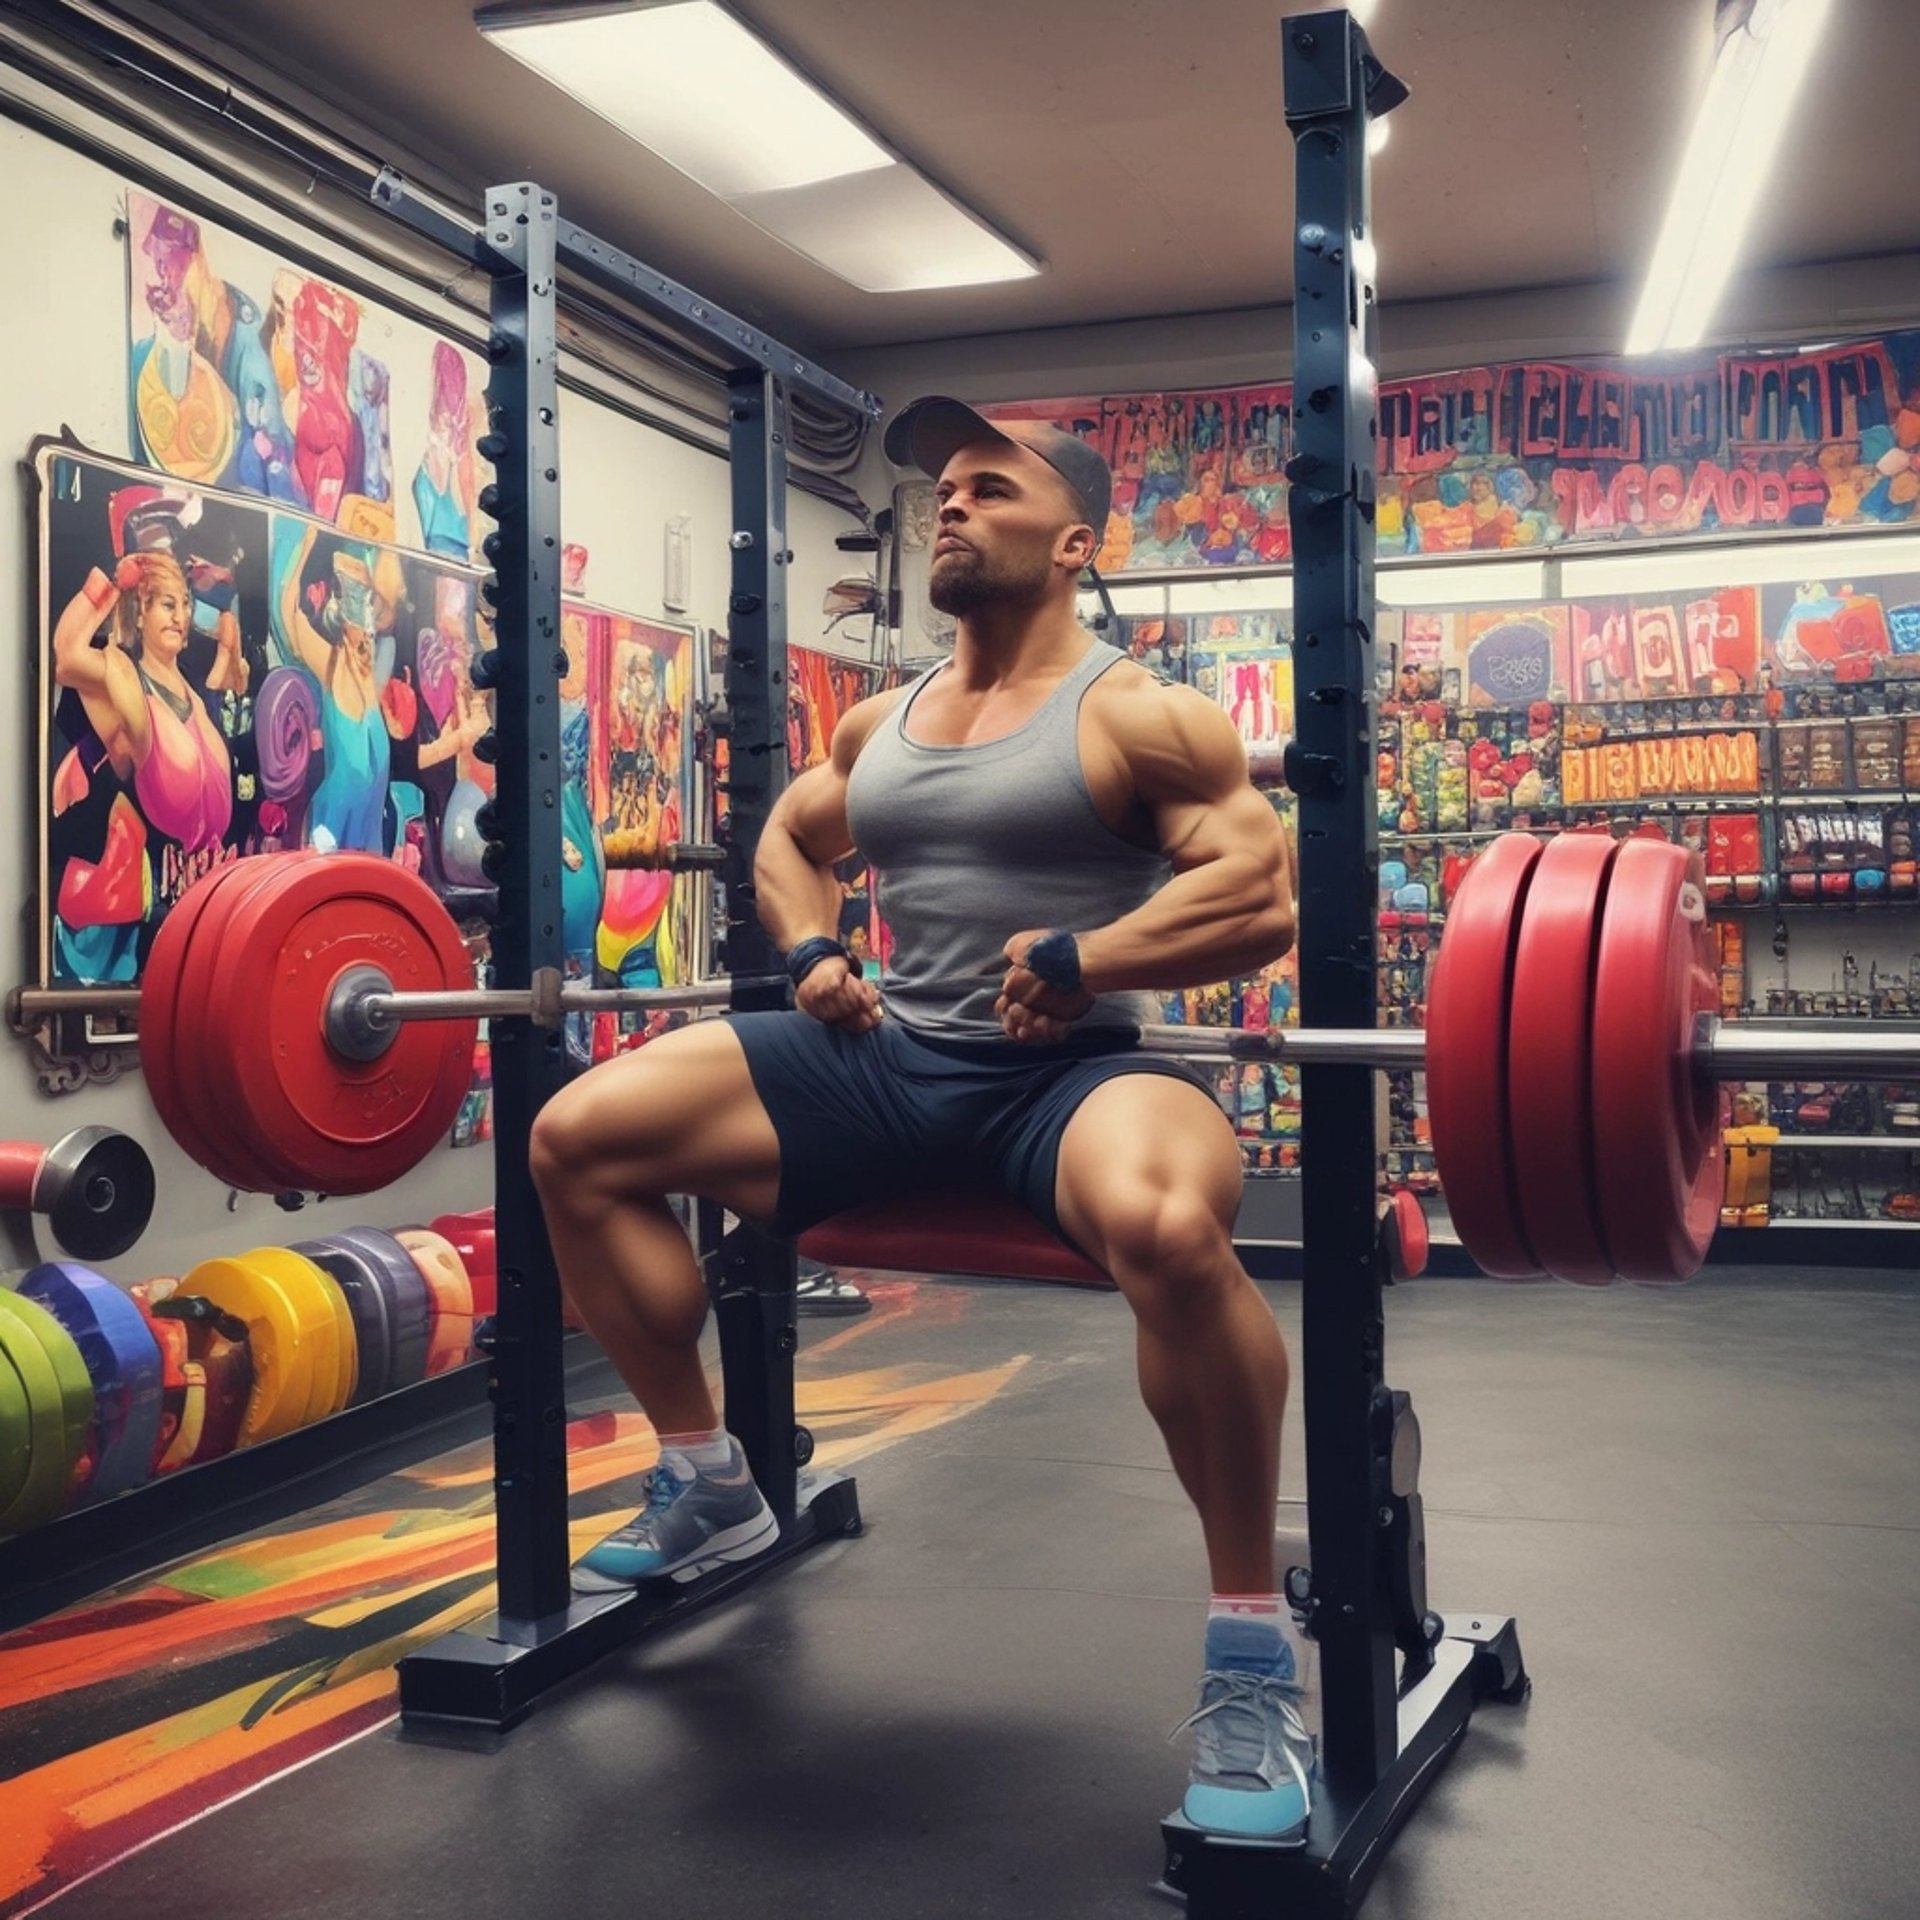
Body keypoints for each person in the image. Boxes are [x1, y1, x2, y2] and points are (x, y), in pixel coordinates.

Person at [530, 397, 1308, 1842]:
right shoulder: (881, 721)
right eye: (940, 492)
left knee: (1172, 1231)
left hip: (1075, 1078)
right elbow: (785, 837)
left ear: (1073, 542)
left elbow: (1259, 895)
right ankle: (710, 1477)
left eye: (987, 490)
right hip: (887, 1063)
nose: (948, 510)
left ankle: (1253, 1649)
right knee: (578, 1137)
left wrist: (1090, 961)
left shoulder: (1138, 712)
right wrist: (816, 948)